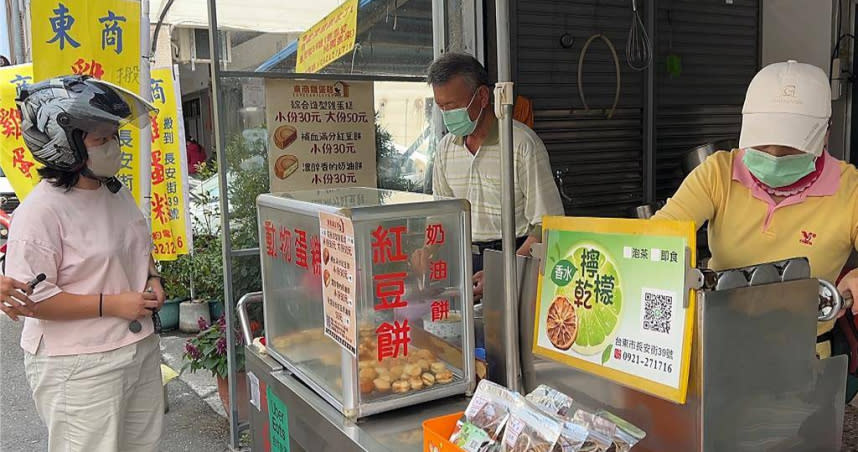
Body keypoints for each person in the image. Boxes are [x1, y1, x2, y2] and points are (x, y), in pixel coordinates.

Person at [653, 60, 858, 400]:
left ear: (827, 131)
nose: (774, 156)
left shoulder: (849, 189)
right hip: (716, 348)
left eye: (791, 148)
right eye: (762, 145)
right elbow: (660, 236)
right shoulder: (717, 173)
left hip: (803, 362)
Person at [5, 75, 165, 451]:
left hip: (137, 348)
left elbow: (138, 247)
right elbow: (33, 300)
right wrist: (113, 304)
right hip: (79, 366)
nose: (114, 147)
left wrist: (154, 278)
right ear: (66, 147)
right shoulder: (41, 213)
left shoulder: (115, 192)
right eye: (101, 140)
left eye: (114, 136)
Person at [426, 53, 564, 298]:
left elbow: (547, 224)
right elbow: (443, 216)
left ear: (482, 96)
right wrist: (427, 252)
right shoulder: (445, 149)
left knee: (507, 335)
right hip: (466, 263)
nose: (447, 114)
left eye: (453, 106)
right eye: (441, 107)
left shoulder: (521, 143)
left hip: (516, 258)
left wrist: (505, 270)